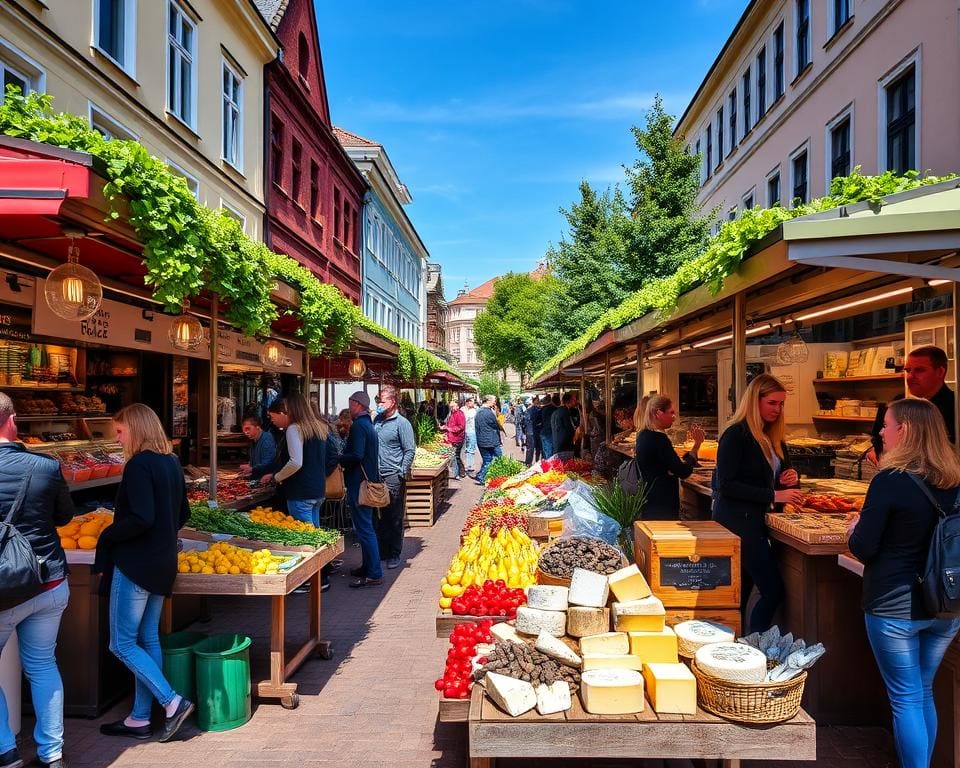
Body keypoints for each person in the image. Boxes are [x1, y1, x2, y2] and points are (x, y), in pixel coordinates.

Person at [848, 398, 960, 768]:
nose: (881, 431)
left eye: (887, 424)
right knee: (921, 691)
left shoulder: (890, 481)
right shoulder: (955, 480)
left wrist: (853, 529)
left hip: (895, 605)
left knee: (906, 698)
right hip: (946, 605)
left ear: (905, 431)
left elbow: (864, 546)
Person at [94, 404, 193, 744]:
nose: (117, 438)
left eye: (120, 432)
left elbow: (141, 517)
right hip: (163, 563)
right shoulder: (170, 462)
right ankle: (138, 717)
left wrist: (108, 535)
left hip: (136, 565)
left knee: (121, 643)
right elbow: (183, 513)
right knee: (147, 638)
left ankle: (171, 701)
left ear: (135, 429)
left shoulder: (138, 465)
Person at [0, 393, 75, 768]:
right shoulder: (45, 466)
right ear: (12, 421)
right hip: (49, 581)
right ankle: (52, 753)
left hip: (2, 590)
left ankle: (5, 750)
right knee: (43, 665)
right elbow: (64, 517)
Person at [713, 374, 802, 634]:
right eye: (772, 403)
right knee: (771, 591)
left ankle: (737, 644)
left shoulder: (774, 437)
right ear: (755, 400)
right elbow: (726, 485)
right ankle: (755, 645)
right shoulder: (736, 435)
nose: (777, 409)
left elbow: (780, 477)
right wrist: (774, 495)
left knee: (742, 591)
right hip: (739, 525)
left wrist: (791, 479)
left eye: (781, 404)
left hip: (760, 524)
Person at [260, 393, 339, 529]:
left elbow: (296, 462)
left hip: (301, 492)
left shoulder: (294, 428)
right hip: (318, 489)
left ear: (291, 409)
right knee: (315, 536)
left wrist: (277, 477)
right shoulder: (318, 428)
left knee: (306, 540)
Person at [870, 345, 956, 461]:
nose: (910, 377)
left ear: (940, 372)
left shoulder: (955, 407)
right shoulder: (898, 403)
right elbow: (877, 440)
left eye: (919, 370)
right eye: (908, 370)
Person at [634, 395, 705, 520]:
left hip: (649, 498)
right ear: (658, 413)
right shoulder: (659, 439)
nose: (674, 417)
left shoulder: (643, 435)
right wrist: (696, 445)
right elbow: (683, 471)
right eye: (671, 413)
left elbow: (670, 464)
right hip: (662, 501)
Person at [339, 392, 383, 588]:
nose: (349, 408)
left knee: (365, 529)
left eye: (350, 405)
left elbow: (356, 454)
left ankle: (374, 572)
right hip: (367, 482)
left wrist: (338, 458)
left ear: (357, 405)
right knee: (366, 528)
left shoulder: (359, 426)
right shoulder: (369, 425)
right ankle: (367, 567)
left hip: (360, 484)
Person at [373, 385, 416, 570]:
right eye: (378, 401)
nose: (379, 405)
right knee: (378, 516)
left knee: (394, 516)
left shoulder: (402, 423)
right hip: (376, 475)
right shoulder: (377, 421)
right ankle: (382, 550)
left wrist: (401, 471)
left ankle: (394, 553)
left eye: (382, 401)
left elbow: (409, 449)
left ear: (392, 402)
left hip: (393, 476)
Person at [236, 415, 277, 481]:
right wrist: (249, 465)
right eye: (244, 430)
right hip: (257, 478)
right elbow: (256, 461)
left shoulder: (267, 440)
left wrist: (252, 469)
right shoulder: (254, 440)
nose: (246, 432)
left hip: (265, 479)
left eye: (248, 429)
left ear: (257, 427)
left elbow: (268, 463)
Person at [475, 395, 504, 484]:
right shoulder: (487, 412)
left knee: (487, 459)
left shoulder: (479, 411)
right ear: (488, 401)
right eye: (494, 401)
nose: (495, 402)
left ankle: (480, 474)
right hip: (490, 441)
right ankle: (481, 477)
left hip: (482, 440)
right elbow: (496, 425)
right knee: (499, 459)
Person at [440, 398, 467, 480]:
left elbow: (460, 427)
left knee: (455, 456)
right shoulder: (452, 413)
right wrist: (446, 429)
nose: (451, 408)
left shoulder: (459, 414)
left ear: (458, 406)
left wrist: (448, 429)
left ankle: (459, 473)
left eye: (453, 406)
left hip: (457, 438)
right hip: (453, 438)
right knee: (456, 456)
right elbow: (451, 425)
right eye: (451, 406)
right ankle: (460, 472)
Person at [550, 392, 577, 457]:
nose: (576, 401)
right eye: (574, 400)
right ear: (569, 401)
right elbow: (570, 430)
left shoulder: (555, 412)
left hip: (557, 446)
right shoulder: (565, 412)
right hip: (565, 447)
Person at [523, 396, 543, 466]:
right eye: (538, 401)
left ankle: (528, 462)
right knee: (537, 448)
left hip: (529, 431)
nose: (539, 402)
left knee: (530, 448)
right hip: (535, 431)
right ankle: (537, 462)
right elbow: (538, 421)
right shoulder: (538, 410)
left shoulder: (528, 410)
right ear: (535, 401)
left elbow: (524, 422)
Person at [462, 397, 479, 476]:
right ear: (468, 402)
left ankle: (469, 465)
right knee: (470, 449)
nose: (474, 403)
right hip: (469, 432)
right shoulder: (466, 411)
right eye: (472, 402)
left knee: (470, 448)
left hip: (469, 432)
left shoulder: (472, 409)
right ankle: (469, 466)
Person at [540, 393, 559, 460]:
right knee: (550, 454)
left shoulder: (543, 408)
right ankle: (549, 468)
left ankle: (545, 467)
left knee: (545, 453)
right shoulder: (556, 410)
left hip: (543, 432)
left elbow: (539, 421)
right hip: (550, 433)